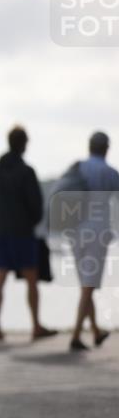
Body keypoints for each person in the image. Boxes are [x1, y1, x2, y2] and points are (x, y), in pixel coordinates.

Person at [0, 125, 57, 342]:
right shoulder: (26, 172)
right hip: (22, 231)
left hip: (0, 229)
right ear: (24, 144)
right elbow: (36, 204)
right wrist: (31, 220)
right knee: (32, 278)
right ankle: (35, 325)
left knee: (0, 277)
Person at [67, 131, 119, 352]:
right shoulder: (110, 173)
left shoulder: (76, 168)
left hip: (75, 230)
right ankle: (77, 335)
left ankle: (95, 331)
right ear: (106, 148)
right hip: (97, 231)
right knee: (88, 286)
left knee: (84, 285)